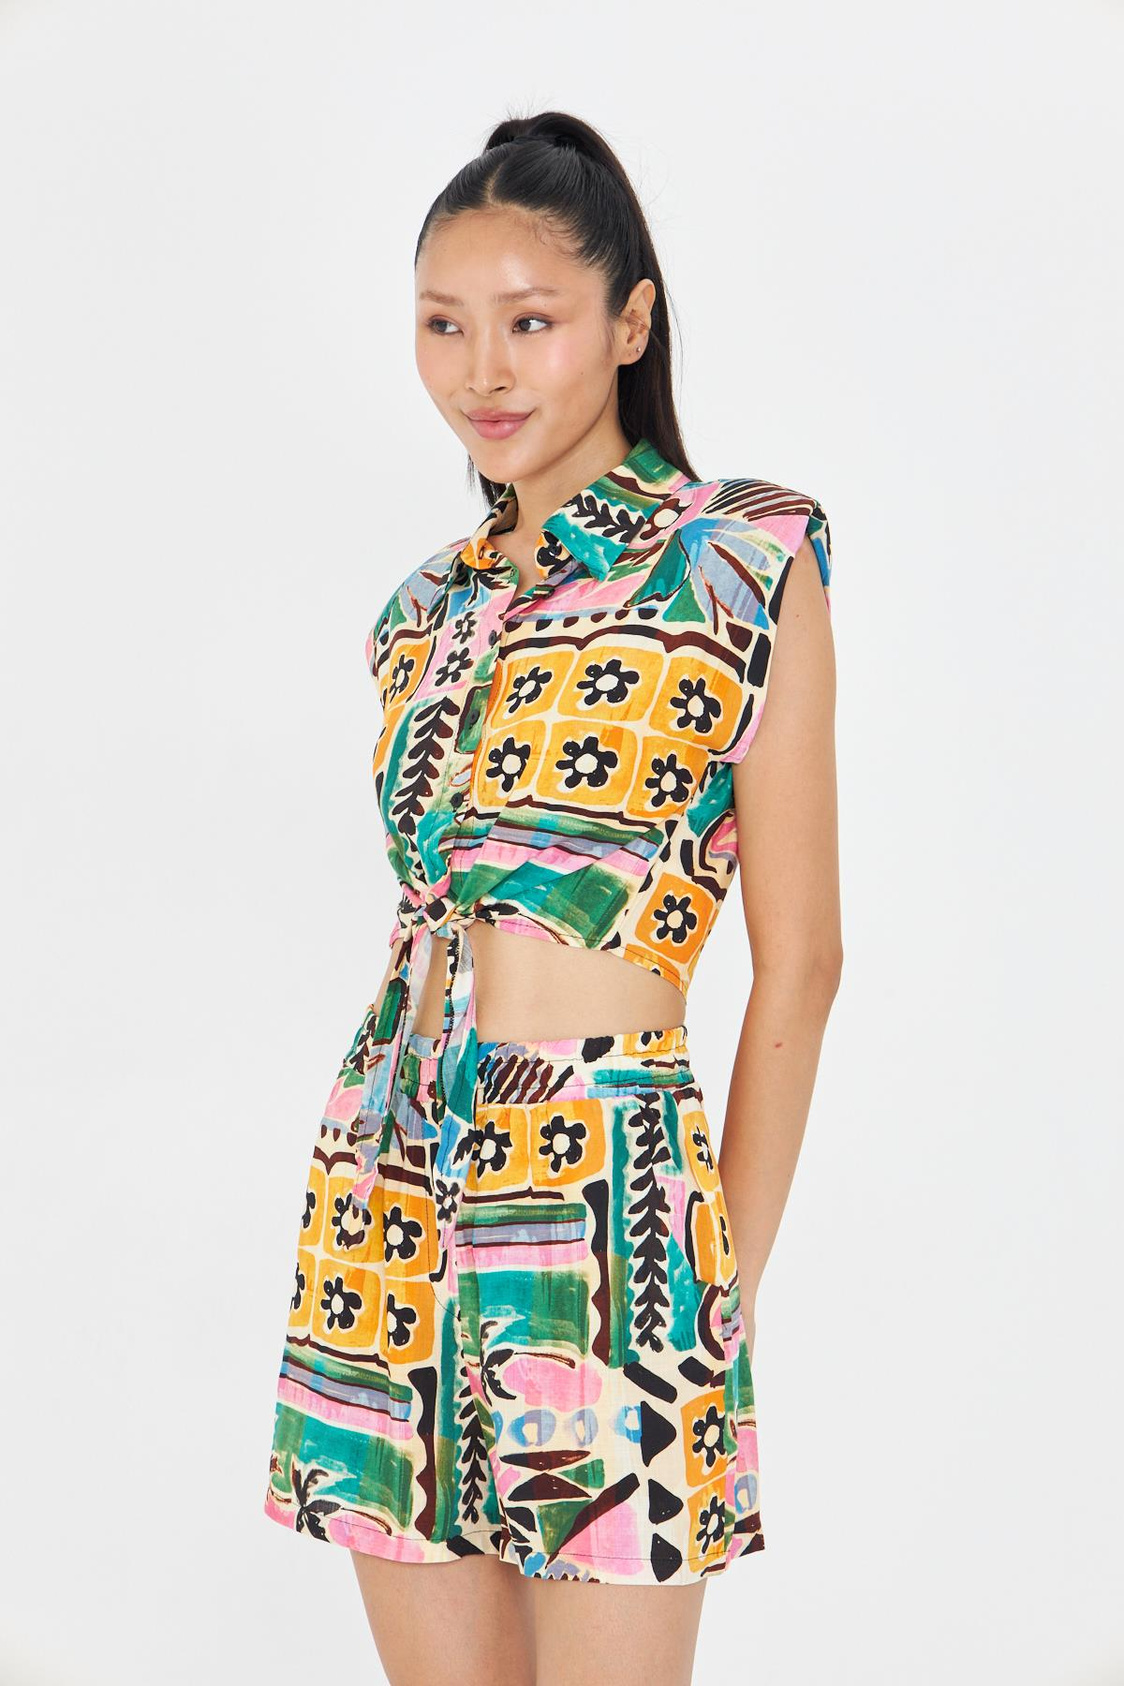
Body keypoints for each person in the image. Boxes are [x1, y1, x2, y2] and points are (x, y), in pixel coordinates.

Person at [263, 108, 841, 1686]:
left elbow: (803, 963)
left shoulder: (741, 557)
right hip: (388, 1189)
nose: (483, 370)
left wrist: (712, 1288)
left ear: (630, 321)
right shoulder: (421, 613)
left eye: (531, 321)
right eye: (444, 325)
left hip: (610, 1193)